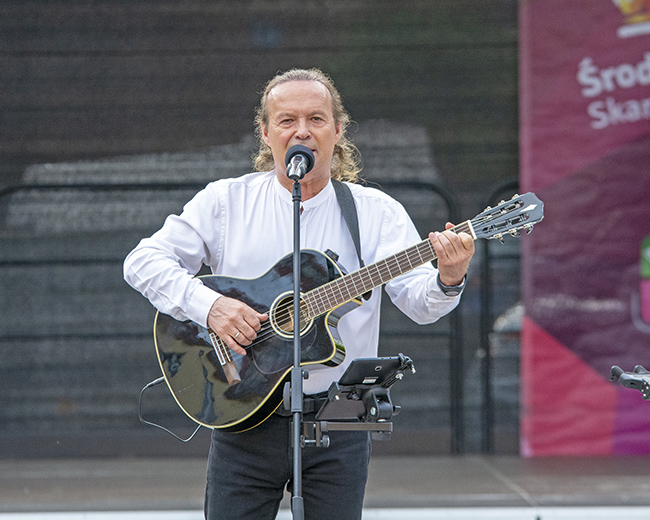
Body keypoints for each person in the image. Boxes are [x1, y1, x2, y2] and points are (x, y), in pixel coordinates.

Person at [123, 68, 474, 519]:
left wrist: (449, 276)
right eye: (287, 120)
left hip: (337, 423)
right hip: (242, 412)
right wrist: (211, 307)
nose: (302, 131)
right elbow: (142, 261)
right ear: (265, 132)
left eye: (316, 119)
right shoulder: (226, 202)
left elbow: (420, 304)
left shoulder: (376, 213)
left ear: (337, 131)